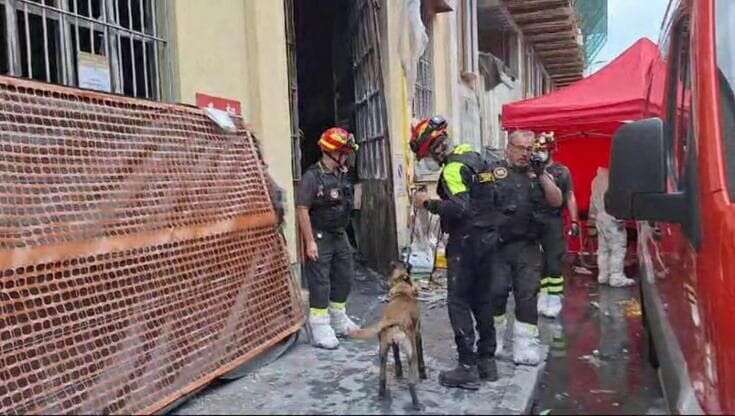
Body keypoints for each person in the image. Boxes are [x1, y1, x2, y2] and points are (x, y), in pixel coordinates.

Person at [410, 115, 497, 389]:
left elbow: (460, 208)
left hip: (466, 242)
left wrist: (428, 203)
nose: (431, 161)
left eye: (427, 155)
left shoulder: (451, 169)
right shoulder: (473, 156)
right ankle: (487, 362)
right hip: (489, 238)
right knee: (482, 300)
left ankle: (467, 367)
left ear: (434, 147)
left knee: (458, 301)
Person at [485, 130, 563, 366]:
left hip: (527, 246)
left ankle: (526, 347)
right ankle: (493, 341)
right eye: (520, 148)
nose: (524, 153)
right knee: (496, 292)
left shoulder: (539, 174)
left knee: (527, 295)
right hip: (498, 246)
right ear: (508, 147)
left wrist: (541, 175)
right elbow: (476, 195)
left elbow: (556, 200)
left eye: (529, 149)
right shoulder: (493, 172)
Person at [296, 127, 361, 350]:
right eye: (343, 152)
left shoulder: (342, 174)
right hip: (320, 235)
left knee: (345, 275)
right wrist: (310, 241)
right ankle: (320, 324)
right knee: (320, 281)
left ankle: (338, 317)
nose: (346, 156)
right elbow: (302, 209)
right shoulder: (312, 177)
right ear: (331, 152)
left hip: (339, 234)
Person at [533, 132, 581, 319]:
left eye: (544, 150)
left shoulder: (562, 171)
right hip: (534, 221)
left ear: (551, 150)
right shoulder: (531, 171)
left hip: (554, 220)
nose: (540, 153)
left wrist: (574, 220)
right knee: (539, 262)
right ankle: (543, 296)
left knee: (554, 261)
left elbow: (569, 196)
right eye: (538, 150)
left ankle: (554, 299)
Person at [589, 167, 635, 287]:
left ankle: (603, 276)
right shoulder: (615, 181)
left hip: (600, 217)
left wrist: (592, 219)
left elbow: (592, 201)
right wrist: (621, 218)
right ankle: (616, 277)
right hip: (613, 218)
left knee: (603, 249)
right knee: (617, 249)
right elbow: (619, 200)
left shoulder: (596, 180)